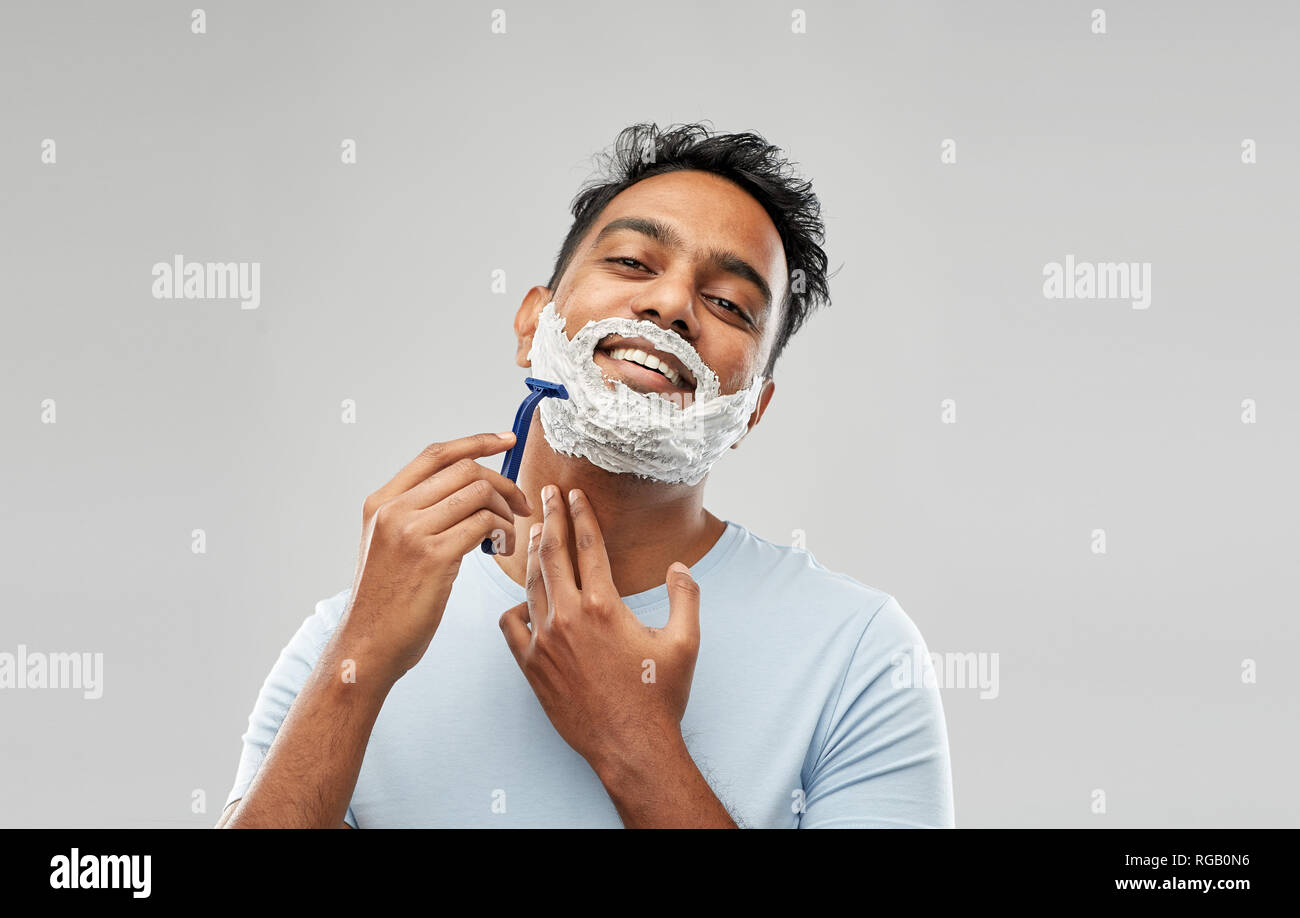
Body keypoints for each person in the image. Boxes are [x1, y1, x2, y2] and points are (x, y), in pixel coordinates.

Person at [217, 122, 954, 828]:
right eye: (633, 263)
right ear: (531, 325)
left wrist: (631, 736)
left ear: (751, 411)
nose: (670, 305)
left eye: (728, 303)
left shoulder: (858, 650)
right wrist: (360, 654)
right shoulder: (346, 637)